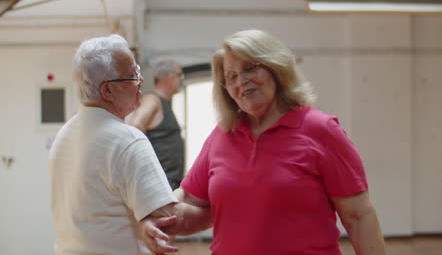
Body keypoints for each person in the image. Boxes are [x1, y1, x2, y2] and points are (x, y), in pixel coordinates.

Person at [143, 29, 386, 255]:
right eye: (232, 76)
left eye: (250, 68)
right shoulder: (222, 135)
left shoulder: (320, 130)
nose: (241, 81)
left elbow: (358, 216)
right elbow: (191, 206)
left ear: (276, 68)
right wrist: (154, 220)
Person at [48, 34, 208, 255]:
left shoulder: (64, 134)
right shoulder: (126, 140)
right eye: (133, 75)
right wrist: (229, 207)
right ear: (108, 91)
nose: (140, 81)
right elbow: (171, 217)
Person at [130, 60, 185, 190]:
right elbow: (134, 126)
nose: (181, 79)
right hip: (160, 183)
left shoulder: (165, 103)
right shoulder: (152, 100)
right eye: (178, 75)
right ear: (167, 76)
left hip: (169, 182)